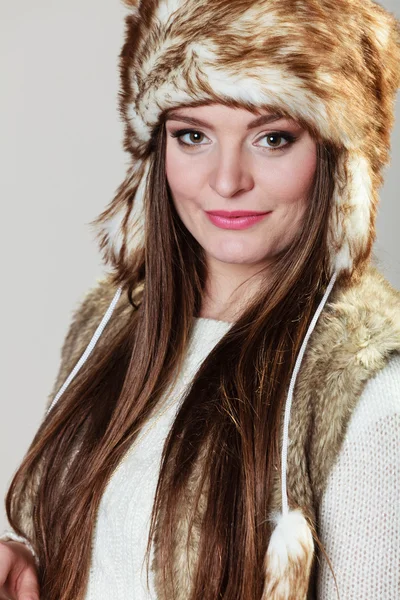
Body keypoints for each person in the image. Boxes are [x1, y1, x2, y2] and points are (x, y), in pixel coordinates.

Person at [1, 0, 399, 598]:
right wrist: (28, 560)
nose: (226, 179)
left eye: (272, 137)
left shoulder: (370, 392)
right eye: (193, 135)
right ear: (156, 150)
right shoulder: (108, 327)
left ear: (339, 160)